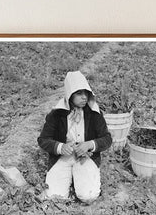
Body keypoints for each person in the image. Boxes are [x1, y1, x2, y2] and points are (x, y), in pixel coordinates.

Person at [38, 71, 112, 203]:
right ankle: (68, 179)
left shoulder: (94, 113)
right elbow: (43, 140)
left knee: (89, 196)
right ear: (70, 95)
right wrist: (60, 147)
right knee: (55, 197)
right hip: (63, 157)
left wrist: (89, 145)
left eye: (86, 93)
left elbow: (107, 139)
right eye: (79, 93)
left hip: (85, 156)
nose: (84, 97)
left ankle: (78, 180)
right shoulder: (57, 114)